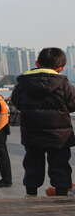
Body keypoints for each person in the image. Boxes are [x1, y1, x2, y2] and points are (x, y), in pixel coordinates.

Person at [11, 47, 75, 196]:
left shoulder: (22, 84)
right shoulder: (64, 84)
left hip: (32, 133)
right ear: (61, 68)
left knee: (32, 164)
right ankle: (61, 193)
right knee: (60, 165)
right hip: (60, 136)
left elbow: (17, 102)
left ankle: (31, 193)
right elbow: (72, 105)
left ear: (37, 63)